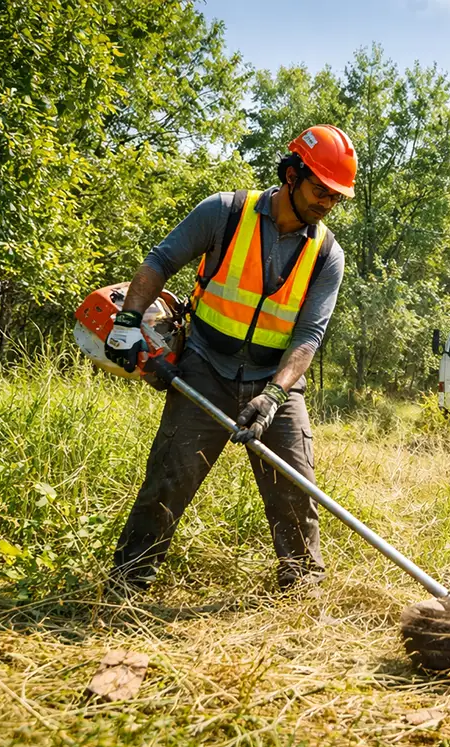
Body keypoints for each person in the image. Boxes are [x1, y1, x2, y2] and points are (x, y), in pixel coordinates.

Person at [102, 124, 355, 595]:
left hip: (274, 379)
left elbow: (309, 335)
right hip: (203, 367)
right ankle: (125, 588)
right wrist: (127, 321)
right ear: (291, 174)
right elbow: (160, 262)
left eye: (335, 196)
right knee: (168, 481)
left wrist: (276, 395)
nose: (326, 202)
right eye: (320, 189)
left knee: (295, 492)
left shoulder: (328, 254)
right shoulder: (225, 212)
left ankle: (301, 595)